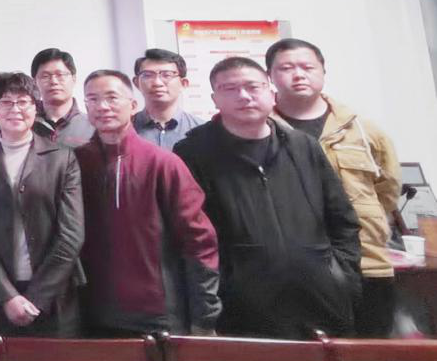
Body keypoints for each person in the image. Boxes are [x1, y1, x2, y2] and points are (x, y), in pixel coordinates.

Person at [174, 57, 362, 338]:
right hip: (239, 307)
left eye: (253, 87)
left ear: (271, 93)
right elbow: (190, 234)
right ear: (215, 99)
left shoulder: (303, 146)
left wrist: (341, 276)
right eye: (230, 89)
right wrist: (215, 294)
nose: (244, 96)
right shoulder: (193, 152)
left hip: (322, 299)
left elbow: (343, 219)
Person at [266, 39, 401, 337]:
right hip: (294, 269)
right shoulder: (260, 130)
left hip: (367, 263)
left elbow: (387, 190)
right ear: (270, 76)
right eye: (286, 68)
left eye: (307, 67)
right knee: (308, 357)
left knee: (370, 354)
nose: (298, 74)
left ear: (323, 72)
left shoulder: (363, 130)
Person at [75, 70, 220, 336]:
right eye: (92, 99)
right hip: (91, 313)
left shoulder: (163, 163)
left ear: (133, 105)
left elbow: (199, 241)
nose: (102, 106)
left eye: (111, 97)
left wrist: (204, 315)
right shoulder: (75, 163)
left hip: (157, 314)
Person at [0, 72, 84, 337]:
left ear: (35, 107)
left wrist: (37, 297)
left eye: (23, 101)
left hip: (55, 295)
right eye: (6, 102)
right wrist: (7, 296)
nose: (15, 109)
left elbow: (71, 235)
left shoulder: (62, 158)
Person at [131, 48, 203, 150]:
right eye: (147, 75)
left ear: (183, 84)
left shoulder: (201, 130)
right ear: (137, 83)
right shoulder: (123, 128)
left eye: (167, 75)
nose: (157, 83)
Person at [31, 48, 94, 148]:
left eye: (60, 75)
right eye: (45, 76)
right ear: (34, 82)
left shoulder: (93, 127)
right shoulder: (25, 126)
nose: (54, 81)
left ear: (74, 79)